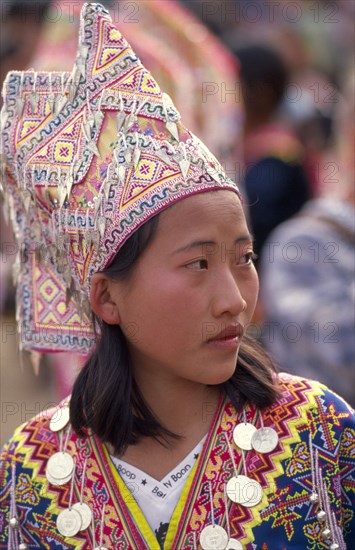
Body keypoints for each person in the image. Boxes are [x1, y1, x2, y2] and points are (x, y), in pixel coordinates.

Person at [0, 4, 354, 549]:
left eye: (245, 257)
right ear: (106, 295)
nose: (236, 301)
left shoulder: (322, 434)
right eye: (198, 263)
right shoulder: (30, 468)